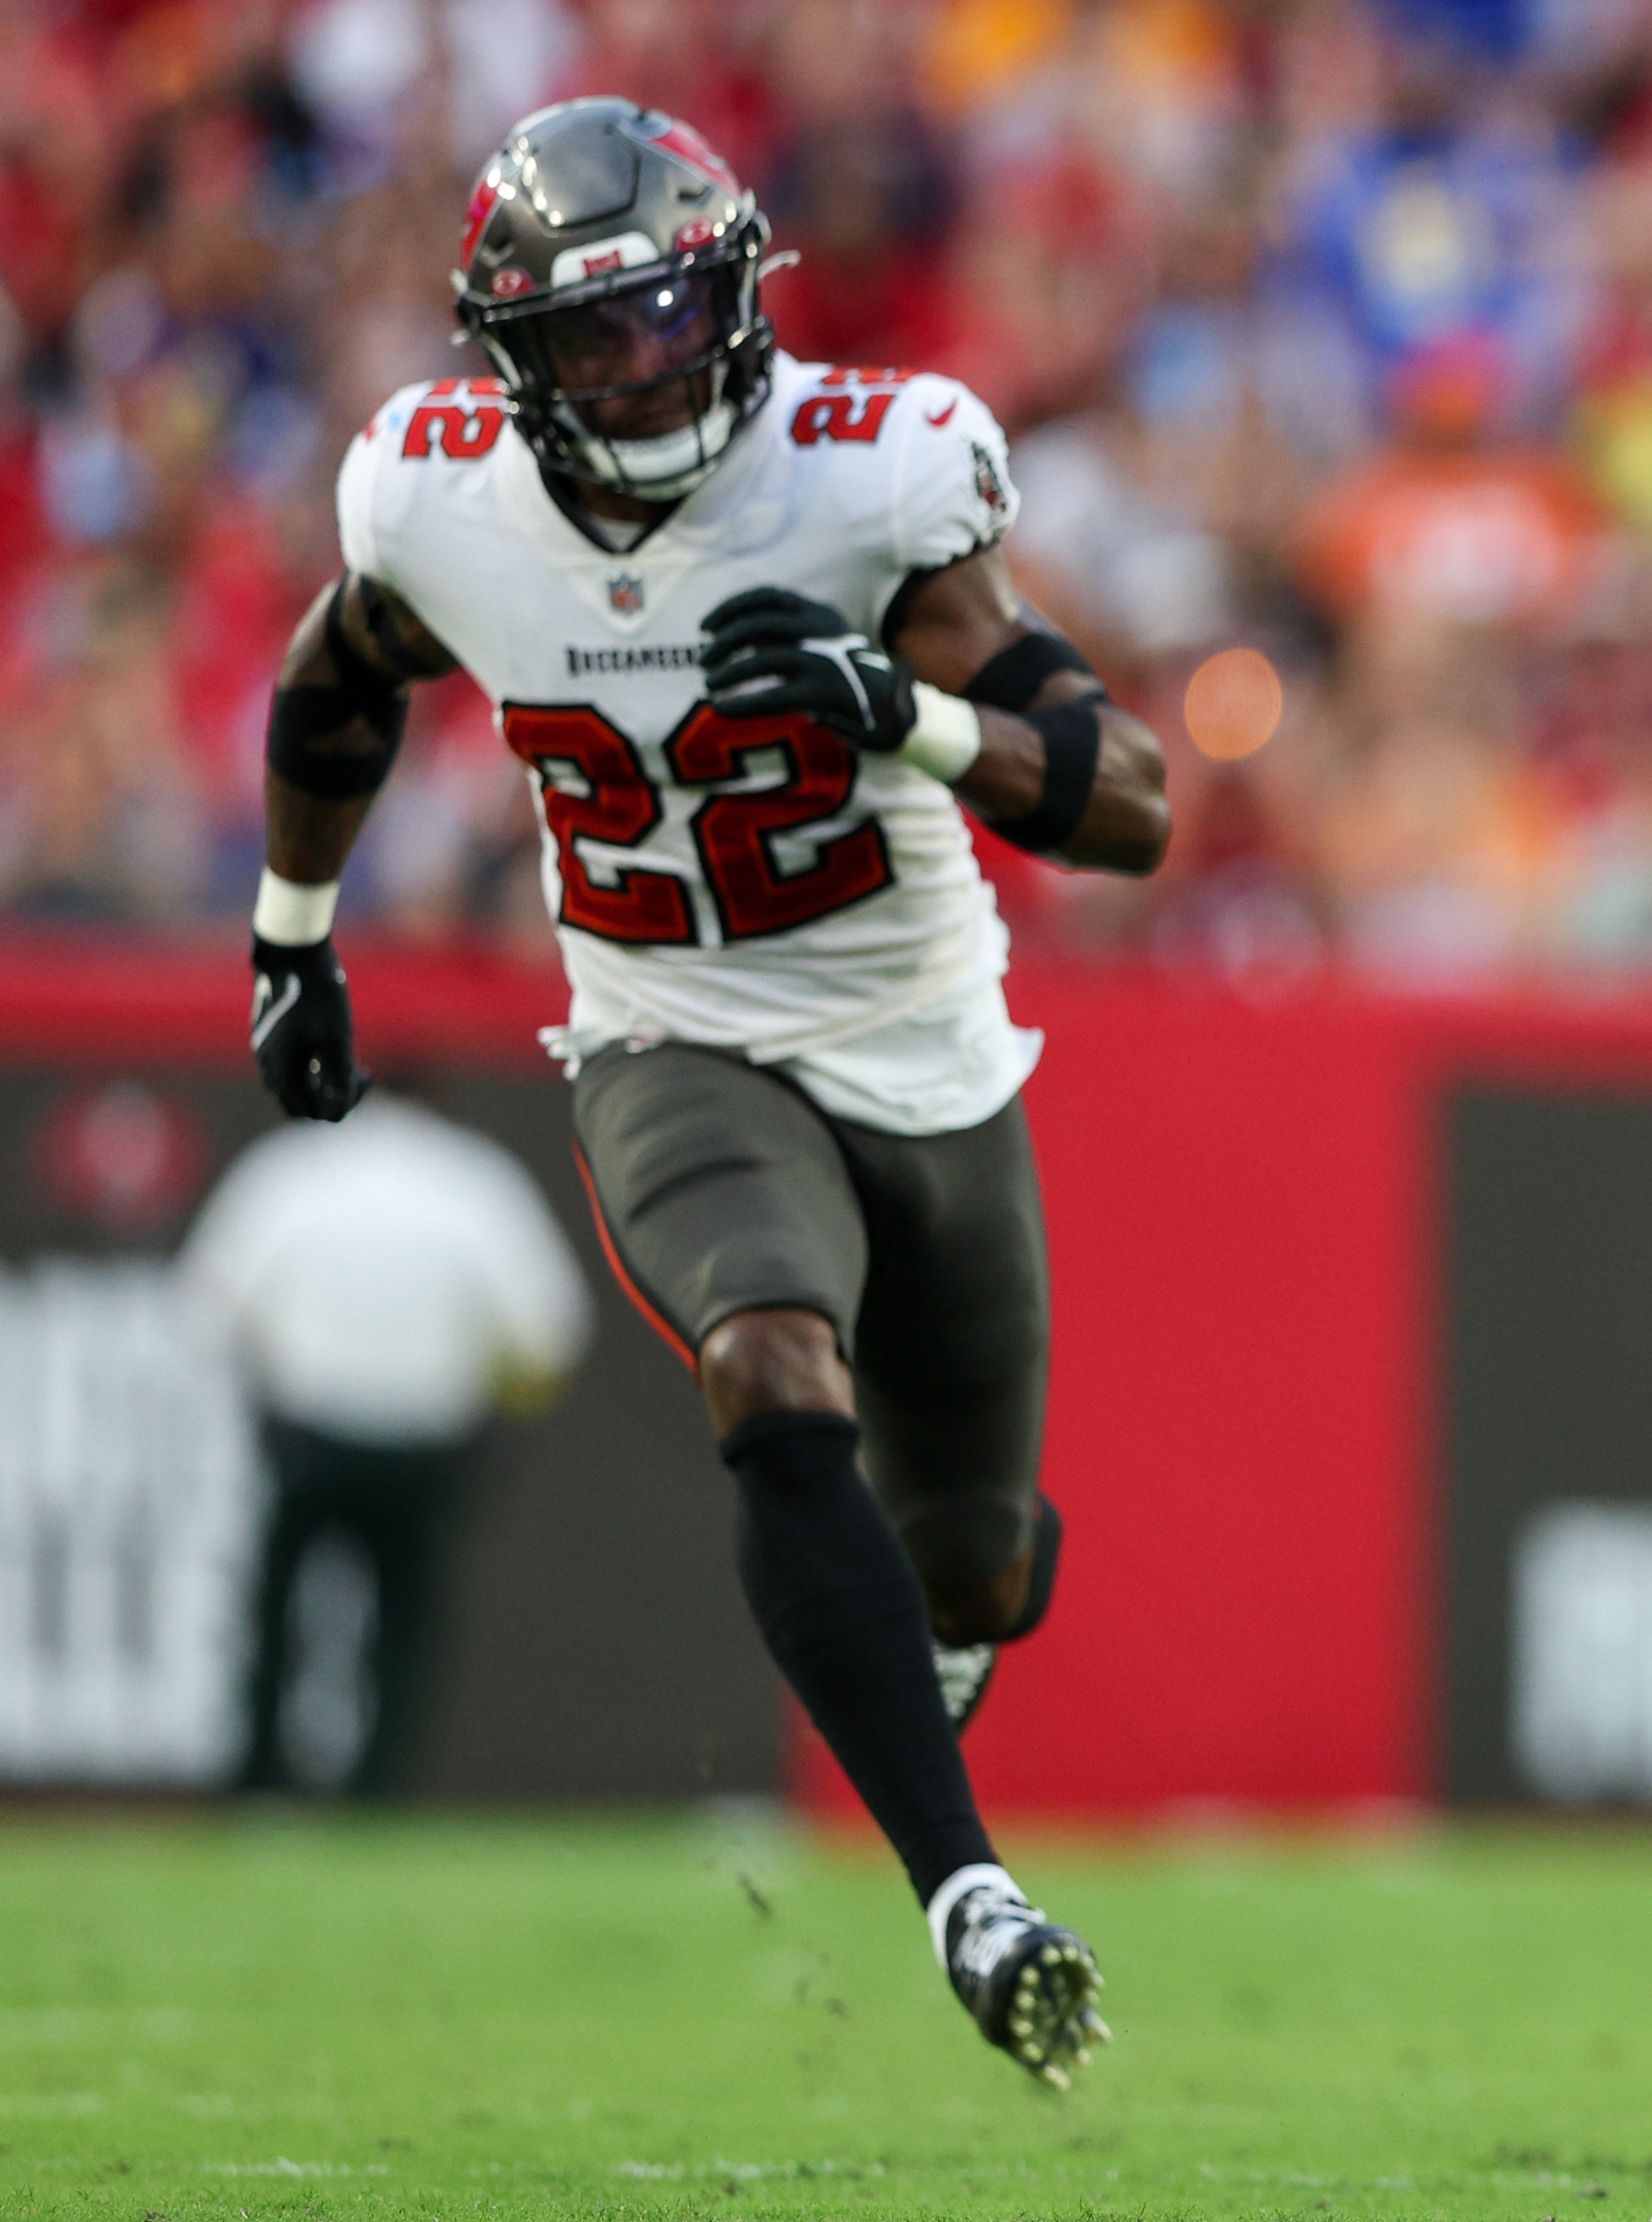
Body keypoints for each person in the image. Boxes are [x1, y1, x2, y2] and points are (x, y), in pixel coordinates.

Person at [239, 100, 1169, 2088]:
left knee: (975, 1564)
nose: (644, 369)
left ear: (739, 302)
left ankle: (971, 1597)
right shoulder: (435, 494)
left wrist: (894, 710)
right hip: (669, 1026)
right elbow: (337, 675)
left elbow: (1134, 804)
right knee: (765, 1363)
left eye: (669, 321)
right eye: (591, 341)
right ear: (512, 359)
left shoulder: (870, 476)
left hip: (925, 1048)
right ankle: (970, 1899)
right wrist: (289, 930)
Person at [178, 1092, 591, 1796]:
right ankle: (382, 1790)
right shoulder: (473, 1180)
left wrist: (278, 1365)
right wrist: (492, 1389)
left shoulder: (293, 1170)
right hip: (423, 1442)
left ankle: (255, 1784)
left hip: (311, 1434)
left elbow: (204, 1311)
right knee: (405, 1625)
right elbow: (549, 1330)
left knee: (277, 1612)